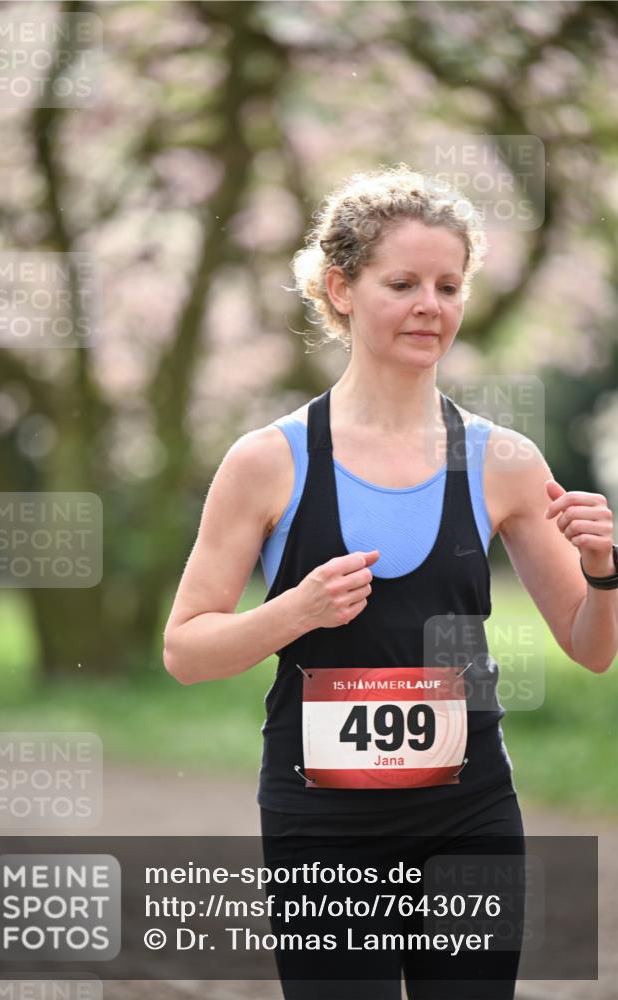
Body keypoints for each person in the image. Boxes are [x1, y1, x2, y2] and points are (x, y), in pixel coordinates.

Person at [163, 165, 618, 999]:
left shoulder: (503, 461)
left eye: (448, 285)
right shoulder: (268, 461)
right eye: (402, 282)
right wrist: (294, 612)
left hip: (469, 811)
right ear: (340, 289)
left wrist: (606, 571)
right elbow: (186, 651)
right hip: (320, 822)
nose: (429, 306)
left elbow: (590, 648)